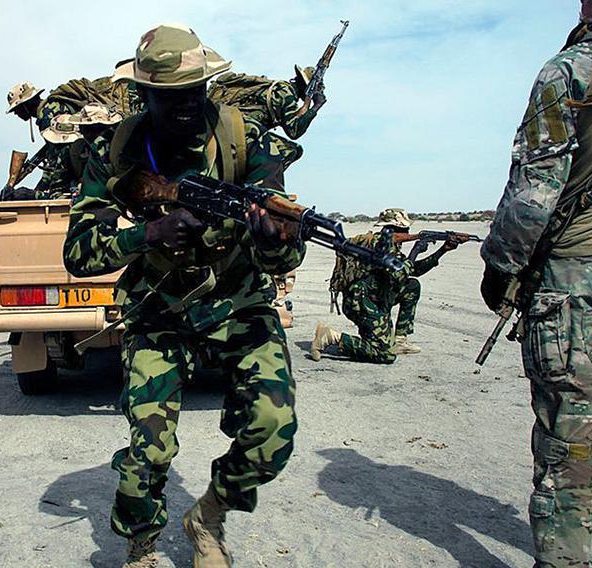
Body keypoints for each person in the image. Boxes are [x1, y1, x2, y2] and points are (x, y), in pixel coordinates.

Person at [64, 23, 304, 568]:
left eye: (196, 92)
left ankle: (209, 516)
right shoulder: (117, 152)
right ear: (143, 94)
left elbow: (284, 254)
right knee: (147, 454)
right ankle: (141, 543)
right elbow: (79, 253)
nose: (186, 106)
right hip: (157, 309)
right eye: (171, 97)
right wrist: (145, 234)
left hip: (238, 301)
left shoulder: (247, 140)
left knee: (272, 428)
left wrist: (274, 240)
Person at [480, 1, 592, 566]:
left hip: (575, 276)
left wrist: (501, 265)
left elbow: (535, 191)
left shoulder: (574, 68)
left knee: (565, 439)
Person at [310, 208, 461, 364]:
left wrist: (442, 250)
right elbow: (399, 274)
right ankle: (332, 337)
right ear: (391, 229)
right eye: (404, 230)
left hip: (376, 297)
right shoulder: (380, 246)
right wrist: (415, 251)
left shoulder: (388, 245)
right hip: (362, 303)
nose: (408, 233)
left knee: (412, 286)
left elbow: (413, 271)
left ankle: (400, 340)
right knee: (385, 354)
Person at [208, 66, 324, 169]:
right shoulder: (286, 94)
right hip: (243, 130)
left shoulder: (280, 88)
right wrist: (316, 106)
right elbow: (294, 131)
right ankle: (259, 183)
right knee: (292, 150)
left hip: (233, 124)